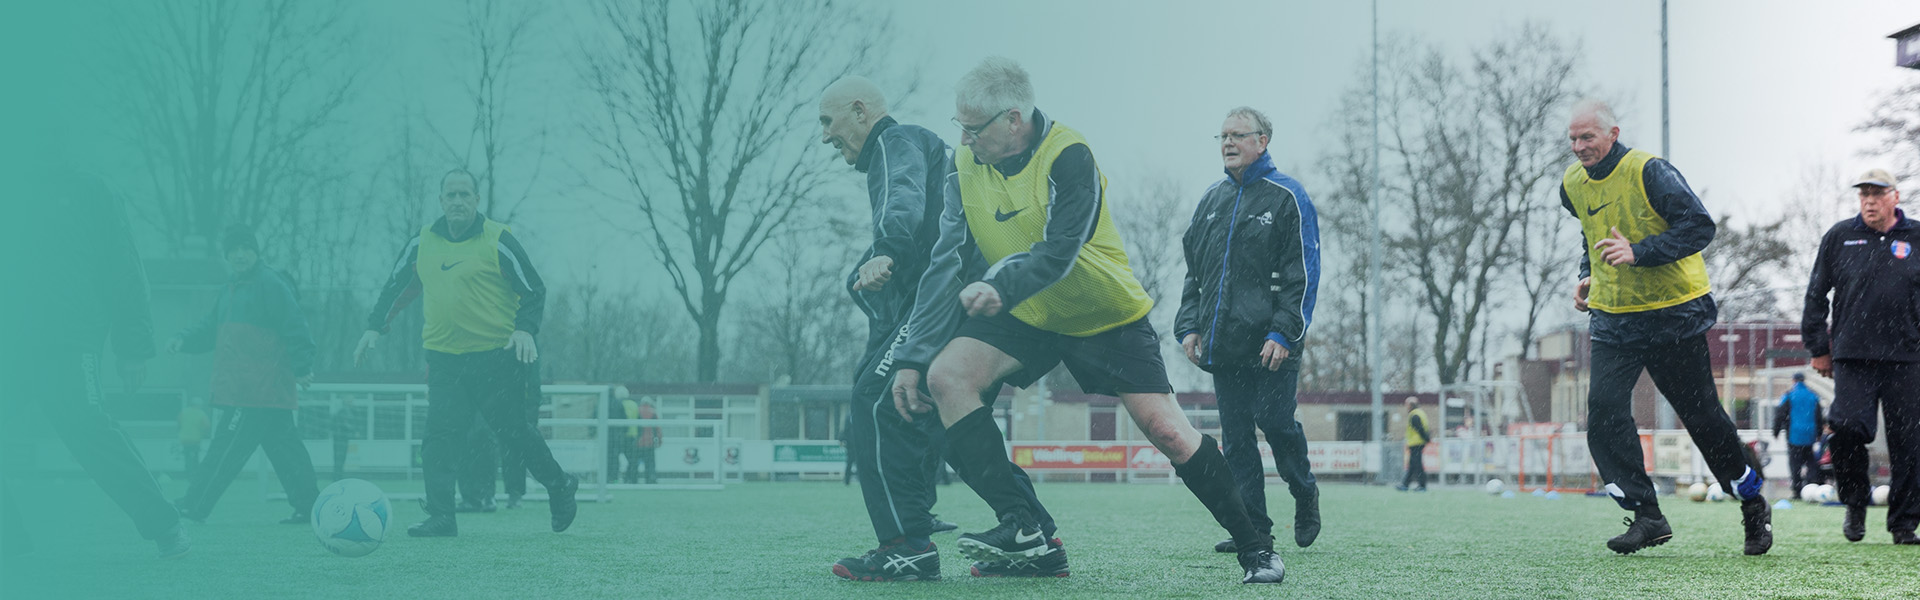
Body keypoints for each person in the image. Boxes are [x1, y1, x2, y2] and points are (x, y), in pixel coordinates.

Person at [889, 58, 1285, 584]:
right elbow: (944, 262)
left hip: (1102, 312)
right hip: (1028, 311)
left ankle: (1257, 548)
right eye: (958, 124)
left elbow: (1060, 251)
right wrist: (914, 355)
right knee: (947, 378)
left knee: (1167, 431)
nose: (962, 138)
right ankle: (1026, 527)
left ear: (1013, 119)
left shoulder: (1068, 154)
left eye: (973, 127)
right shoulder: (964, 164)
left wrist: (999, 285)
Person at [1560, 99, 1770, 556]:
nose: (1578, 147)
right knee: (1603, 412)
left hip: (1674, 315)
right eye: (1573, 139)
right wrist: (1586, 274)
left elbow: (1699, 226)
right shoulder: (1571, 184)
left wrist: (1641, 251)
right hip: (1614, 320)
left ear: (1612, 134)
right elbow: (1591, 237)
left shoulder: (1650, 171)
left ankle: (1751, 498)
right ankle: (1647, 516)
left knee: (1702, 419)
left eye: (1587, 138)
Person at [355, 168, 578, 537]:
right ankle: (442, 516)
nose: (457, 201)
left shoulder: (498, 239)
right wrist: (373, 326)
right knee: (439, 437)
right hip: (444, 359)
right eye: (450, 195)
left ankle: (559, 484)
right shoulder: (421, 242)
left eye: (464, 195)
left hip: (497, 358)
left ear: (476, 200)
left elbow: (534, 289)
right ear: (441, 201)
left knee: (514, 435)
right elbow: (396, 285)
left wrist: (525, 328)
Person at [3, 166, 189, 559]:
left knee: (86, 427)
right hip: (11, 339)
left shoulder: (91, 188)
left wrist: (133, 346)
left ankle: (164, 525)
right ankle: (12, 542)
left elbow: (124, 266)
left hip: (68, 335)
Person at [818, 75, 960, 582]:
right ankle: (1024, 523)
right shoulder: (912, 145)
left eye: (828, 122)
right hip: (928, 300)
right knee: (916, 407)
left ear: (860, 111)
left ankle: (906, 545)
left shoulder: (894, 141)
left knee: (872, 402)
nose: (825, 136)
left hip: (931, 302)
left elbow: (904, 198)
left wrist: (886, 250)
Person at [1174, 106, 1321, 553]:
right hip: (1225, 345)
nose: (1228, 143)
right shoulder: (1210, 202)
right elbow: (1194, 274)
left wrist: (1283, 332)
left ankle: (1305, 491)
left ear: (1263, 141)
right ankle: (1254, 531)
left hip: (1273, 343)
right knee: (1237, 442)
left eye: (1238, 135)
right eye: (1222, 136)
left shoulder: (1287, 197)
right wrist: (1189, 327)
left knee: (1275, 424)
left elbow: (1304, 274)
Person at [171, 226, 322, 525]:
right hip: (260, 392)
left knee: (224, 448)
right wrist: (184, 339)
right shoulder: (227, 291)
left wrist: (302, 366)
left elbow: (295, 324)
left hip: (253, 391)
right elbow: (208, 330)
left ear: (256, 253)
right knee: (286, 452)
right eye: (234, 249)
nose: (240, 255)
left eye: (246, 249)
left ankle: (194, 504)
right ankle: (310, 507)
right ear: (227, 255)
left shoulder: (270, 283)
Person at [1802, 168, 1920, 545]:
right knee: (1847, 428)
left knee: (1911, 443)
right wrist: (1819, 347)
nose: (1869, 201)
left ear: (1894, 197)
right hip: (1853, 357)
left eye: (1877, 193)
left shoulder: (1917, 236)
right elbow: (1816, 294)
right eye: (1864, 194)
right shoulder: (1840, 236)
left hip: (1908, 357)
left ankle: (1903, 524)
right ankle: (1855, 501)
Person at [1772, 372, 1826, 494]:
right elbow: (1819, 416)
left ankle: (1797, 489)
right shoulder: (1813, 396)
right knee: (1810, 460)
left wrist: (1776, 431)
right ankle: (1813, 485)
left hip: (1794, 434)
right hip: (1809, 434)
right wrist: (1819, 433)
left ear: (1793, 380)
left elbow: (1780, 414)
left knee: (1795, 462)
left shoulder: (1789, 395)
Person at [609, 386, 642, 485]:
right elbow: (639, 420)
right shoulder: (634, 404)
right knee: (632, 460)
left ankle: (613, 478)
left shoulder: (616, 404)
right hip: (632, 436)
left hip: (619, 436)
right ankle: (631, 479)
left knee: (614, 459)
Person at [1397, 397, 1430, 492]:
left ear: (1411, 405)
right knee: (1413, 465)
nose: (1406, 407)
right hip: (1417, 443)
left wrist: (1426, 438)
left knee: (1417, 465)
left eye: (1407, 405)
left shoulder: (1414, 415)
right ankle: (1405, 484)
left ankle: (1421, 486)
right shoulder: (1420, 413)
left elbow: (1419, 429)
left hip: (1416, 443)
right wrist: (1427, 438)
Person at [177, 398, 210, 476]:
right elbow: (207, 425)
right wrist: (203, 432)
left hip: (184, 439)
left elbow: (179, 422)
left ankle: (188, 472)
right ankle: (195, 473)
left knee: (187, 456)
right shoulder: (201, 413)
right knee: (195, 456)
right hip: (196, 439)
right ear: (198, 405)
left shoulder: (184, 412)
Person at [635, 401, 661, 485]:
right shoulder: (653, 412)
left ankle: (633, 478)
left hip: (638, 441)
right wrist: (660, 440)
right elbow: (657, 428)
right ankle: (651, 478)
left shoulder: (637, 411)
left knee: (635, 462)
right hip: (650, 442)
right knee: (650, 462)